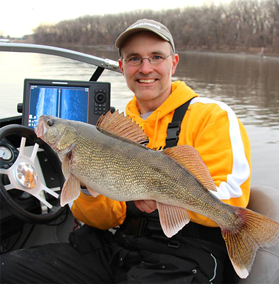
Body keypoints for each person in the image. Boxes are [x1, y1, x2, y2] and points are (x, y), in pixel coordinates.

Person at [1, 19, 251, 283]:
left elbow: (231, 198)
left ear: (173, 62)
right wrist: (86, 186)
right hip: (117, 250)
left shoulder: (212, 115)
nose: (145, 68)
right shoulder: (116, 128)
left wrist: (165, 198)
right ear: (122, 67)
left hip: (183, 257)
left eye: (156, 57)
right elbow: (106, 218)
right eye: (134, 59)